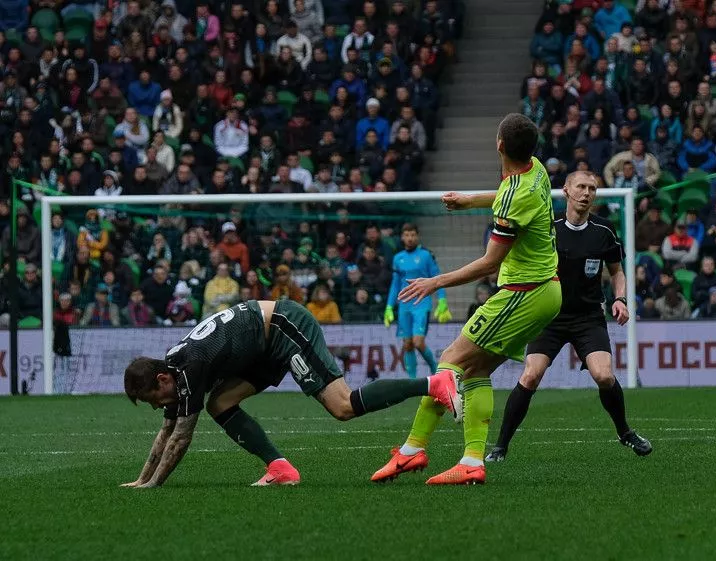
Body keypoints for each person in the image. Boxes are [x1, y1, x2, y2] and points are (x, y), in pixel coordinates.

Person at [371, 114, 562, 485]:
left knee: (450, 361)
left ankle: (412, 450)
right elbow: (509, 197)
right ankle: (471, 461)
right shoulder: (536, 169)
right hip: (545, 290)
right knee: (475, 371)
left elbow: (490, 263)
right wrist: (471, 200)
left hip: (524, 293)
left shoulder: (514, 194)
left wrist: (435, 282)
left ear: (499, 144)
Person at [121, 300, 460, 488]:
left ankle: (433, 383)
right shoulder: (175, 370)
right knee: (220, 403)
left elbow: (181, 437)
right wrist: (141, 479)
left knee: (343, 407)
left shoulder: (188, 369)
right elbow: (167, 429)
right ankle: (281, 468)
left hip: (283, 326)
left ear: (162, 379)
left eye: (154, 399)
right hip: (260, 347)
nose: (157, 406)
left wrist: (153, 485)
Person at [485, 171, 651, 462]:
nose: (587, 193)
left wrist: (620, 299)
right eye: (581, 187)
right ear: (566, 191)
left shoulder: (604, 230)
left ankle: (625, 432)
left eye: (592, 189)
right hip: (548, 316)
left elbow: (617, 272)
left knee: (603, 375)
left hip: (588, 317)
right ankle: (500, 446)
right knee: (531, 375)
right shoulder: (548, 228)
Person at [384, 223, 451, 379]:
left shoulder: (426, 256)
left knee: (418, 342)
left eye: (413, 235)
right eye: (407, 235)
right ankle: (412, 382)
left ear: (417, 236)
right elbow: (395, 284)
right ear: (402, 237)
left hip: (421, 303)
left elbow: (437, 278)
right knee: (407, 344)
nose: (410, 238)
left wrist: (442, 300)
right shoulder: (398, 258)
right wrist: (389, 306)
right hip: (404, 306)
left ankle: (435, 371)